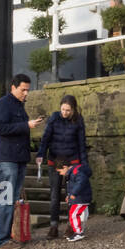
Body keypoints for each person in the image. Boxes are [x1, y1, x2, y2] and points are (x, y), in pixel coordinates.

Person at [0, 73, 43, 249]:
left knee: (11, 199)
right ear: (13, 87)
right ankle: (0, 240)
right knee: (5, 199)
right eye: (23, 90)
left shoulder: (20, 106)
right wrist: (26, 125)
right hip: (6, 159)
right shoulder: (2, 104)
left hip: (18, 159)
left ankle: (8, 236)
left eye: (28, 90)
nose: (26, 93)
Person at [36, 94, 88, 240]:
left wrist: (84, 165)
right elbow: (46, 138)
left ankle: (71, 226)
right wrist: (40, 153)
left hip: (72, 161)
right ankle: (53, 226)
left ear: (73, 110)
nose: (64, 113)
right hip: (56, 160)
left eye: (67, 110)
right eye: (62, 110)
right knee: (54, 194)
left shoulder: (78, 121)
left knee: (72, 194)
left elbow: (81, 144)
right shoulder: (54, 118)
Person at [61, 158, 93, 243]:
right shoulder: (72, 173)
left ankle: (78, 233)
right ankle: (78, 231)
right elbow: (72, 186)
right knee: (75, 214)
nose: (61, 174)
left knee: (74, 214)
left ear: (64, 167)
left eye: (60, 171)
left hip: (81, 198)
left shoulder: (75, 172)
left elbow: (81, 182)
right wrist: (69, 195)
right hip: (80, 198)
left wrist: (73, 193)